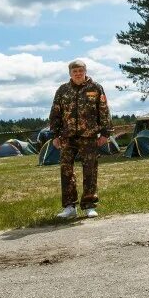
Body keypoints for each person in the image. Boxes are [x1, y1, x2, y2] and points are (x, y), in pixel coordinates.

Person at [49, 60, 114, 220]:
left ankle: (89, 205)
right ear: (70, 73)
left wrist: (105, 133)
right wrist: (55, 135)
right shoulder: (62, 90)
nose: (77, 73)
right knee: (66, 171)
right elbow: (55, 113)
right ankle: (70, 207)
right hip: (67, 136)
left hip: (89, 136)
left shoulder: (96, 88)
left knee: (90, 170)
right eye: (74, 71)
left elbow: (104, 111)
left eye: (80, 70)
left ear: (85, 71)